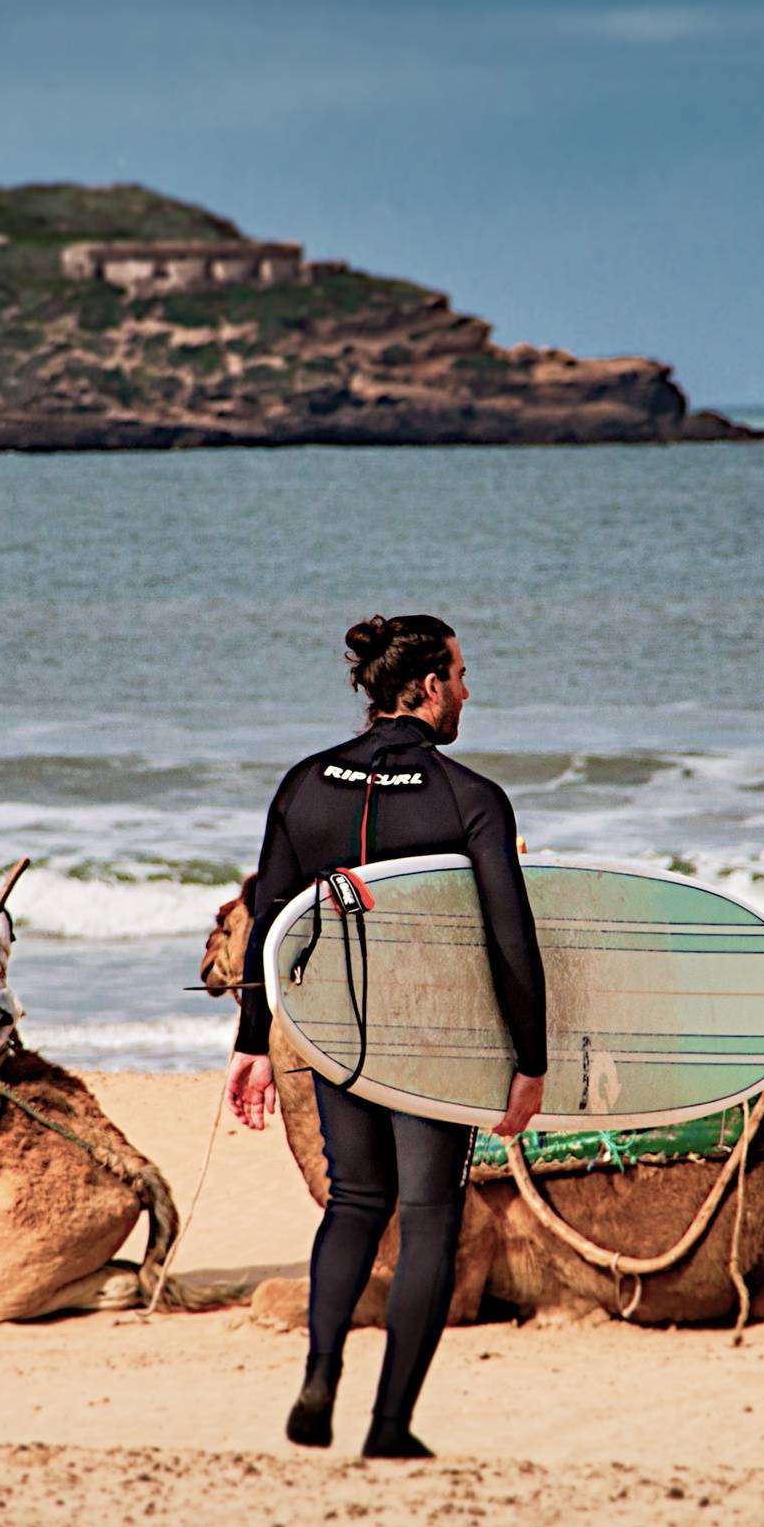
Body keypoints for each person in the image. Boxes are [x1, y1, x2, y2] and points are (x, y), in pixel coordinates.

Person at [225, 614, 545, 1461]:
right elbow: (512, 942)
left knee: (358, 1203)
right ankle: (391, 1422)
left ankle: (321, 1374)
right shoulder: (469, 797)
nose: (470, 692)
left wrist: (253, 1041)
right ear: (430, 686)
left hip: (340, 1033)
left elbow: (271, 925)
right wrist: (531, 1059)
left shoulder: (302, 785)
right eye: (463, 675)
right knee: (432, 1216)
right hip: (434, 1040)